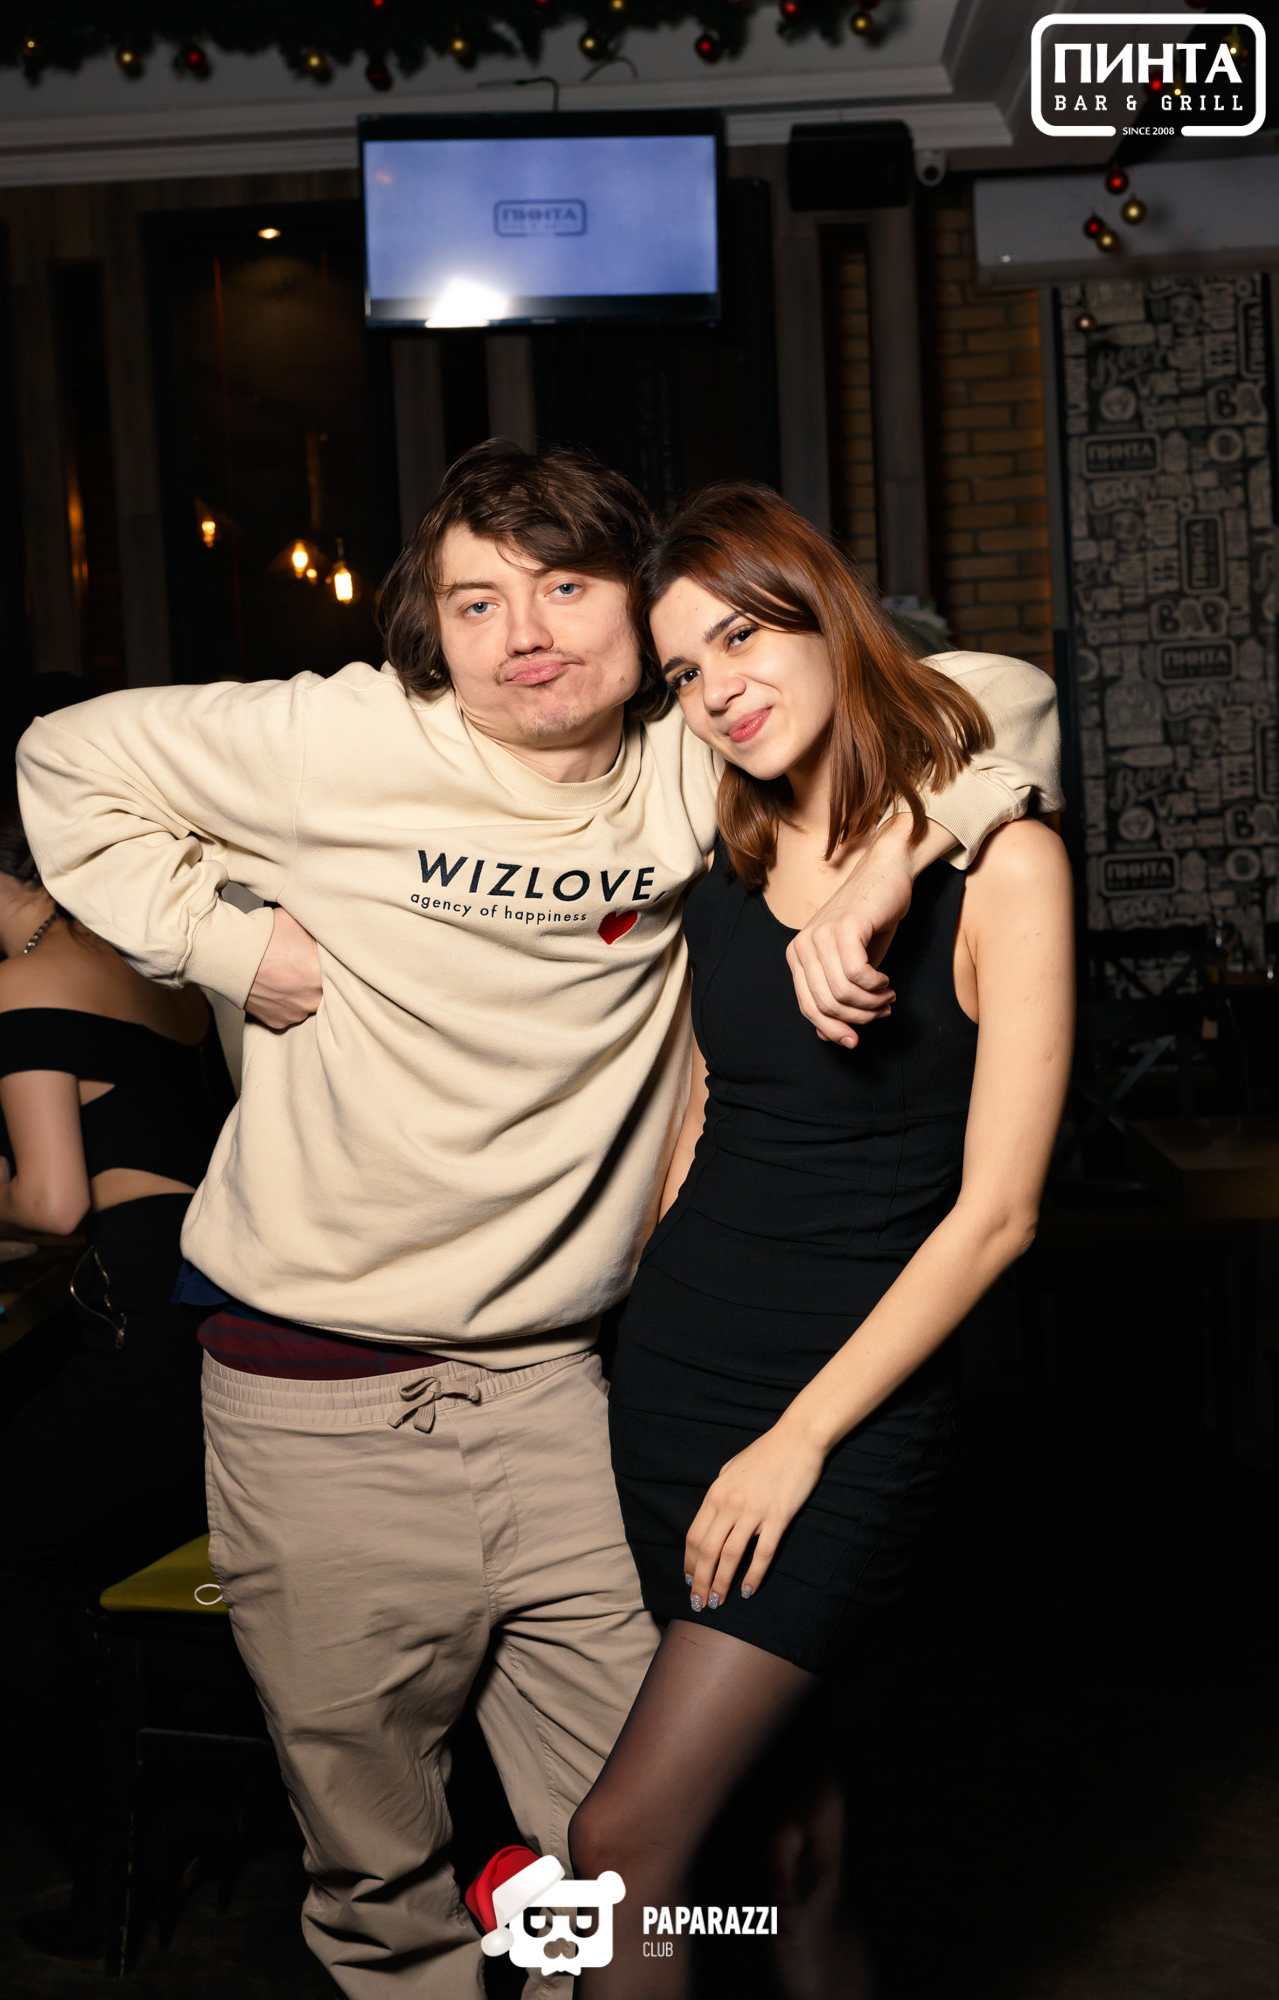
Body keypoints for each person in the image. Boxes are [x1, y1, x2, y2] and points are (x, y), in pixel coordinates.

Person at [15, 442, 1062, 1998]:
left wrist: (897, 855)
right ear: (427, 630)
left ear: (640, 611)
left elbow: (996, 697)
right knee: (384, 1881)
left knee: (630, 1850)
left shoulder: (691, 759)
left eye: (567, 588)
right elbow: (59, 759)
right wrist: (220, 944)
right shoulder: (338, 738)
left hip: (567, 1396)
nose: (523, 635)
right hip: (316, 1403)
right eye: (475, 601)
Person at [565, 482, 1074, 1993]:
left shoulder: (1001, 866)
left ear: (825, 616)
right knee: (789, 1853)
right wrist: (640, 1295)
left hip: (837, 1421)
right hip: (675, 1388)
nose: (716, 688)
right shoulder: (726, 860)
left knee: (618, 1845)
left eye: (742, 634)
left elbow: (999, 1217)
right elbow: (705, 1109)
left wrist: (798, 1440)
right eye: (682, 670)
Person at [0, 766, 234, 1958]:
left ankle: (118, 1850)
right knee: (37, 1550)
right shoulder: (140, 956)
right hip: (220, 1325)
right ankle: (149, 1808)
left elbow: (58, 1201)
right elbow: (124, 1108)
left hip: (152, 1343)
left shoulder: (22, 974)